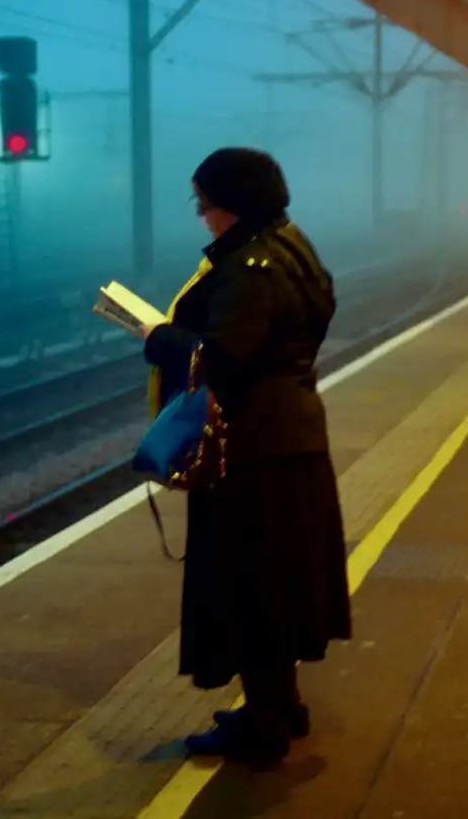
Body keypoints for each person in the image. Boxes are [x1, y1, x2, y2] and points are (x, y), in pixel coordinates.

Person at [139, 147, 352, 766]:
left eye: (205, 202)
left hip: (251, 451)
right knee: (278, 580)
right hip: (291, 439)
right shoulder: (291, 245)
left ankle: (263, 725)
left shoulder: (250, 268)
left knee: (251, 583)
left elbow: (227, 357)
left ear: (232, 202)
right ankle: (279, 703)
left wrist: (159, 339)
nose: (202, 215)